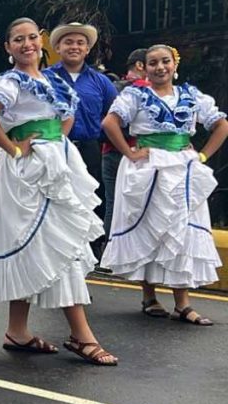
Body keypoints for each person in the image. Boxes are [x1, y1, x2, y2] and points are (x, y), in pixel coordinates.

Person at [0, 18, 116, 365]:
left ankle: (17, 331)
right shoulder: (9, 82)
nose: (27, 44)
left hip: (55, 164)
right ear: (8, 47)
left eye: (32, 38)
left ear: (42, 42)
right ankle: (82, 335)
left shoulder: (49, 82)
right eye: (18, 39)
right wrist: (14, 147)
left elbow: (66, 117)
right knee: (55, 245)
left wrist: (56, 140)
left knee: (41, 247)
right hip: (29, 171)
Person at [101, 44, 228, 324]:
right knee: (150, 227)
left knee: (180, 229)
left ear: (174, 64)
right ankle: (149, 296)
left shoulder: (191, 95)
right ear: (144, 68)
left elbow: (221, 124)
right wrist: (129, 152)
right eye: (153, 63)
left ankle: (182, 303)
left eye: (165, 62)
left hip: (183, 167)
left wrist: (204, 154)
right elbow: (110, 123)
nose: (160, 67)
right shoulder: (135, 95)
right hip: (148, 167)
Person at [45, 23, 117, 258]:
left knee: (91, 201)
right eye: (68, 42)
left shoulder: (101, 82)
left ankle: (89, 255)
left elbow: (115, 115)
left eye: (80, 43)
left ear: (87, 49)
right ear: (57, 46)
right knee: (56, 200)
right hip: (52, 148)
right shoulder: (45, 78)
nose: (74, 47)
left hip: (88, 149)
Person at [101, 49, 147, 245]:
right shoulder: (144, 90)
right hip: (134, 151)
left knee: (113, 203)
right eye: (152, 63)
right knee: (136, 205)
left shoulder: (113, 87)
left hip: (108, 151)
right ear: (140, 65)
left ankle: (108, 248)